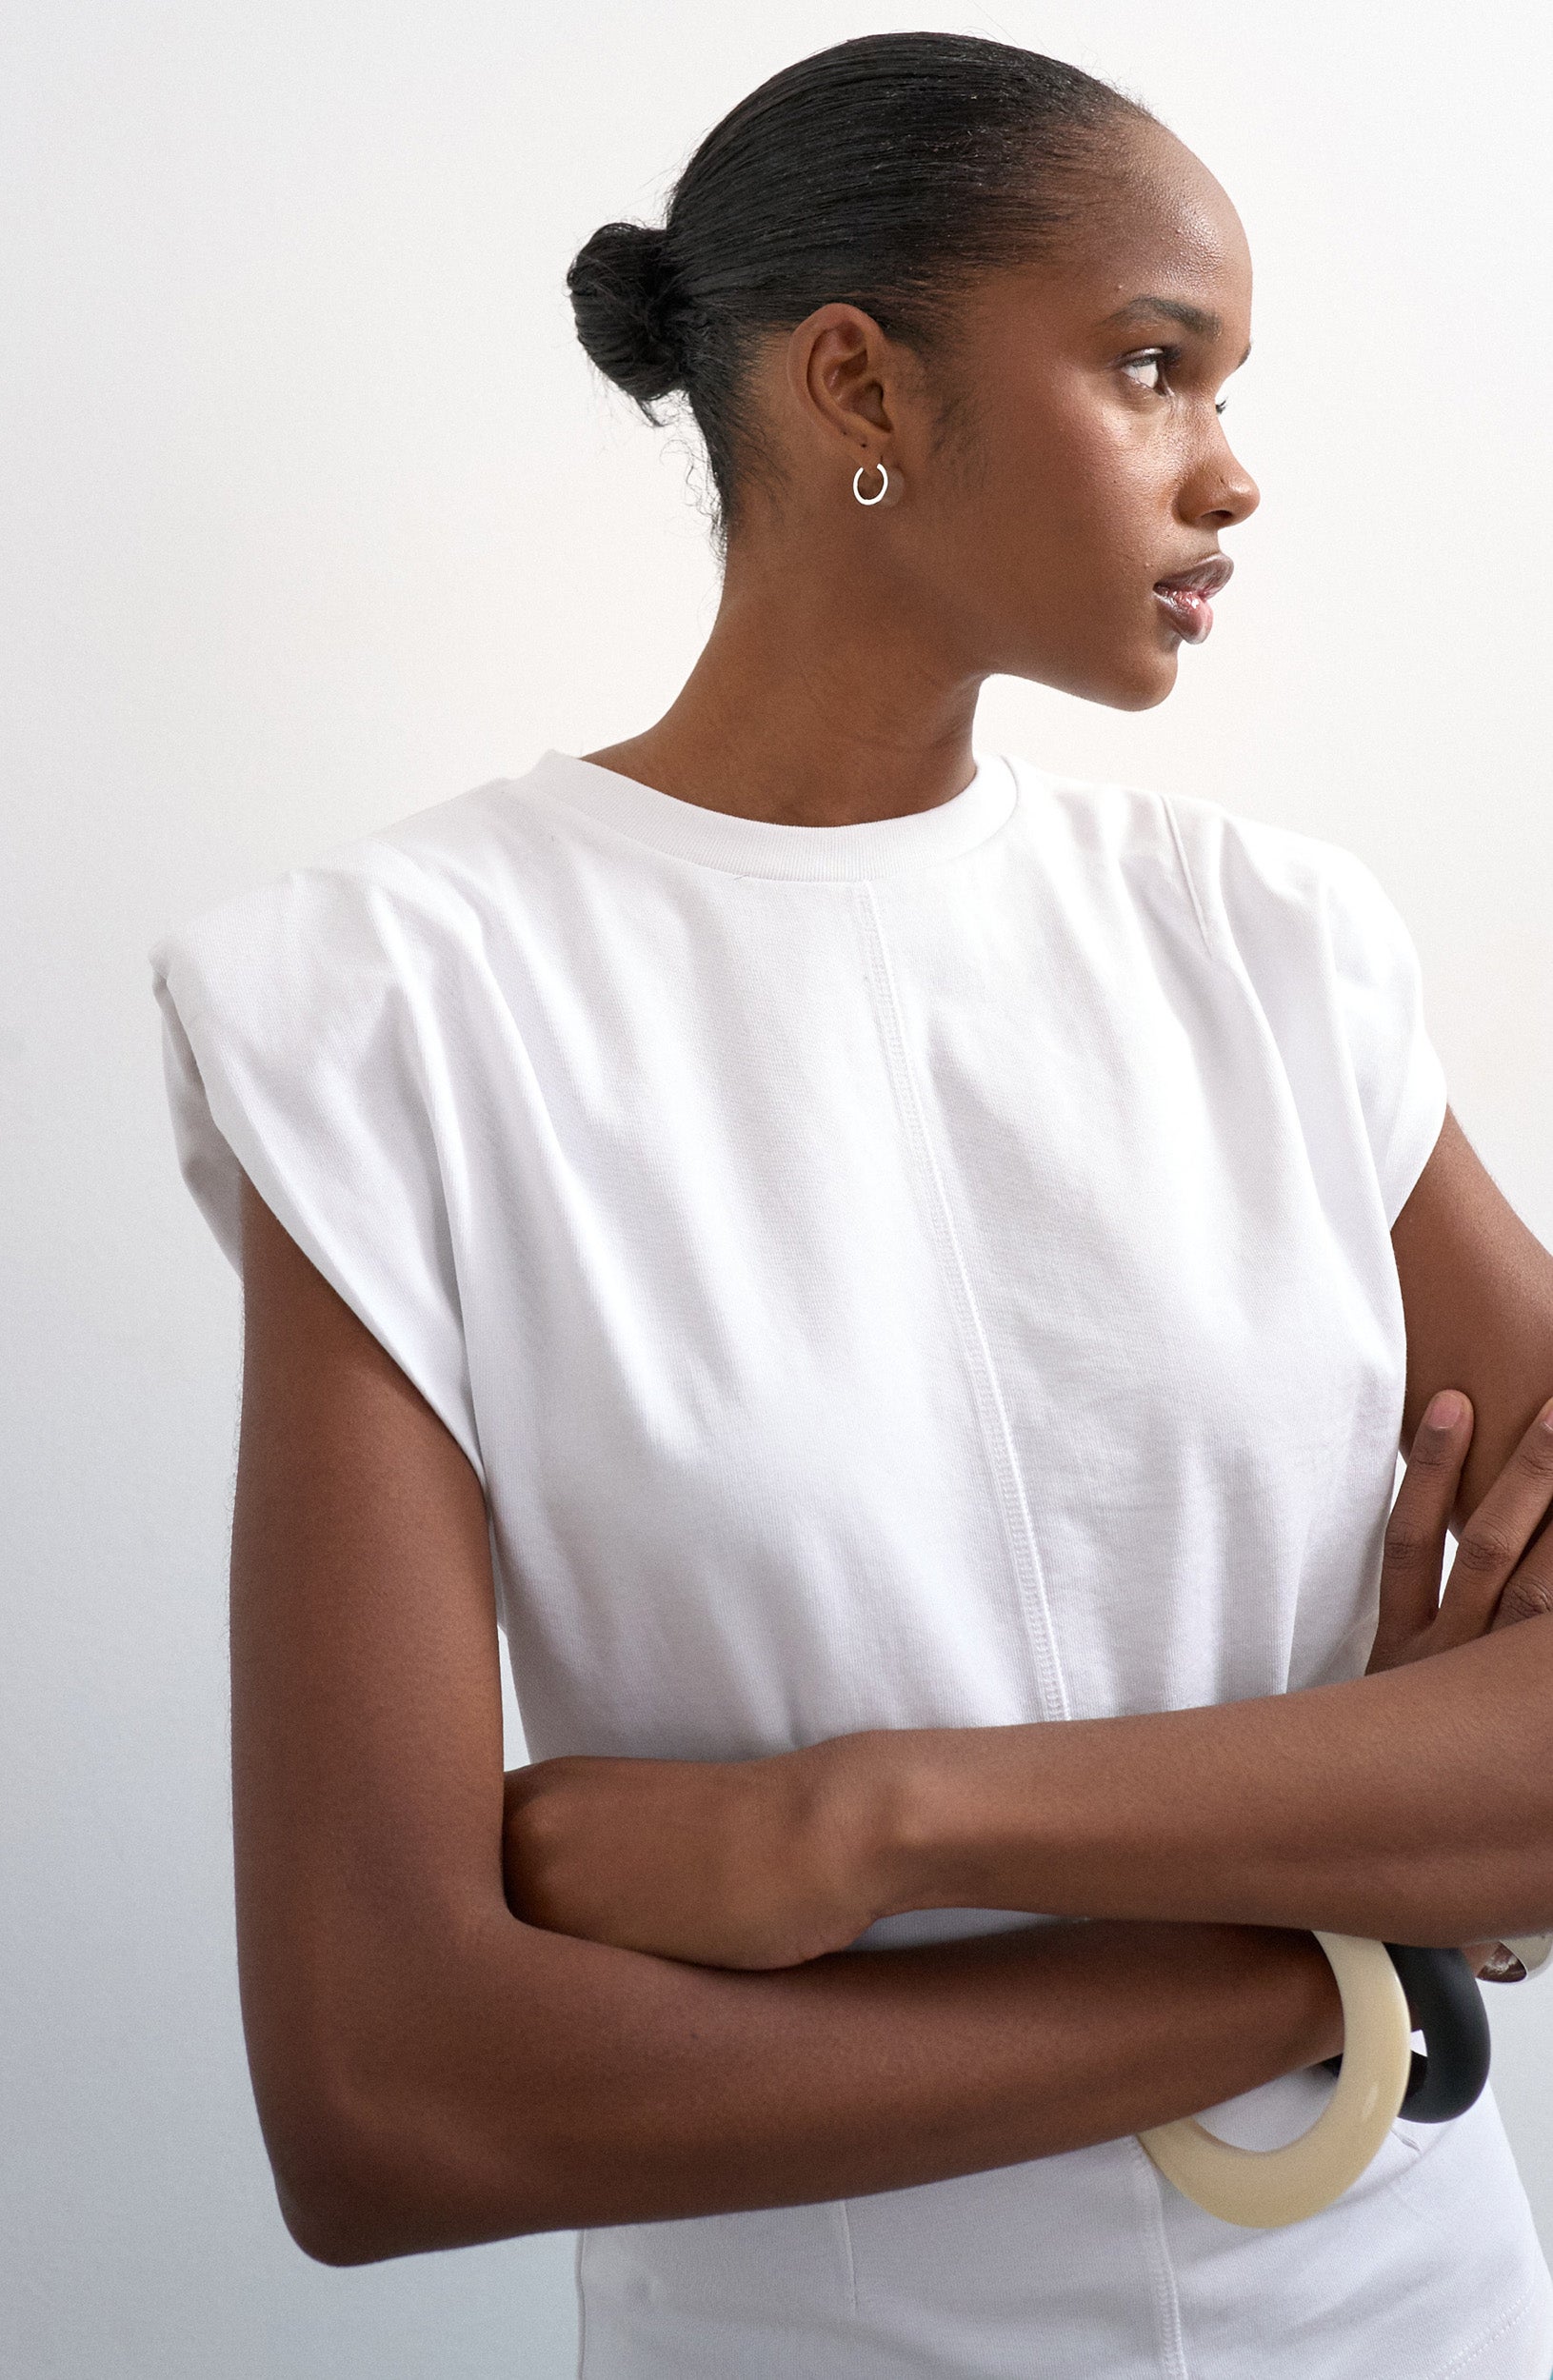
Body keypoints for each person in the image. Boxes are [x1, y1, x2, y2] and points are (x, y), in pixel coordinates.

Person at [149, 31, 1553, 2377]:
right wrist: (1348, 1944)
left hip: (1414, 2322)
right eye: (1148, 365)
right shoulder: (385, 1003)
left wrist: (858, 1821)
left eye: (1221, 385)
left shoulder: (1270, 942)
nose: (1227, 467)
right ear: (853, 388)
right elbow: (393, 2100)